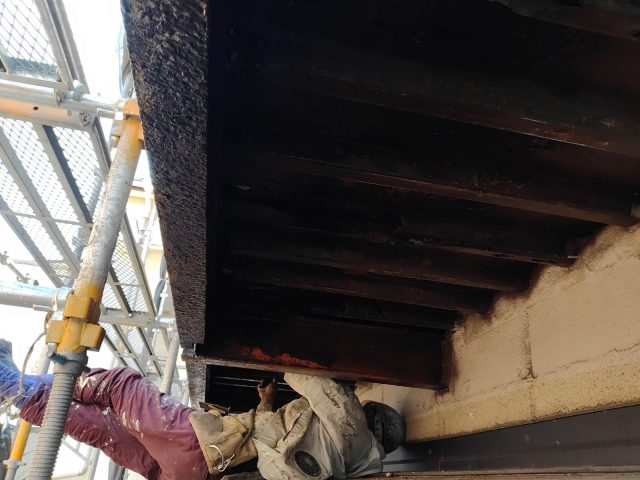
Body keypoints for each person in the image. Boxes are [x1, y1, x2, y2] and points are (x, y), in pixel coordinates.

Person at [0, 339, 405, 480]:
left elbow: (309, 378)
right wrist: (266, 403)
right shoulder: (344, 463)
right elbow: (277, 446)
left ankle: (12, 383)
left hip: (198, 447)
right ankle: (19, 392)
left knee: (120, 387)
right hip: (188, 473)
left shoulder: (352, 423)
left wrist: (273, 345)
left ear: (373, 418)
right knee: (103, 429)